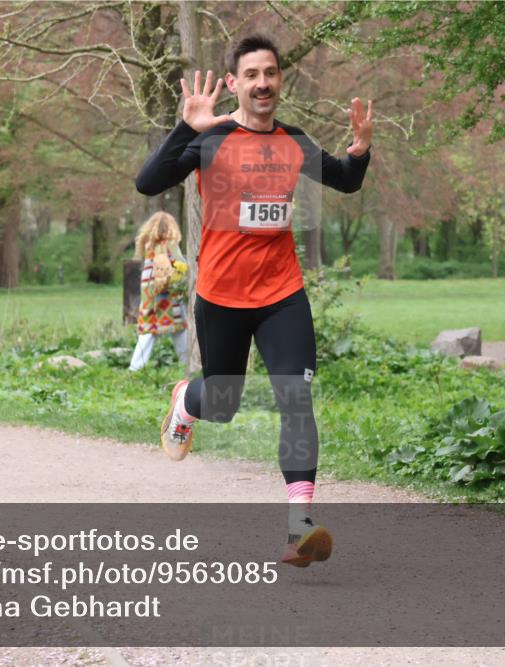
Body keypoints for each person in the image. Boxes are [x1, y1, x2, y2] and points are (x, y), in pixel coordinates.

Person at [135, 34, 373, 568]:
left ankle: (298, 527)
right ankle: (185, 400)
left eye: (270, 73)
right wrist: (184, 128)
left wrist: (359, 153)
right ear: (234, 83)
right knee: (222, 405)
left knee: (296, 397)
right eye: (251, 75)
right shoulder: (210, 139)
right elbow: (148, 183)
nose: (262, 83)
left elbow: (346, 180)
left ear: (279, 80)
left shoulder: (294, 141)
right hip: (221, 295)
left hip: (281, 294)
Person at [128, 211, 190, 371]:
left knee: (147, 333)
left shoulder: (148, 246)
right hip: (169, 297)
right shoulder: (170, 245)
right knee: (180, 331)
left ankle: (135, 368)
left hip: (150, 299)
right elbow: (181, 265)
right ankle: (188, 365)